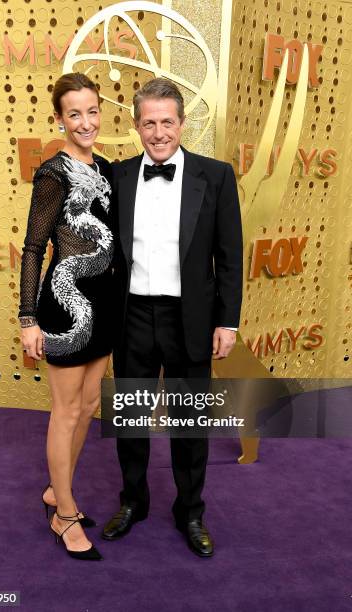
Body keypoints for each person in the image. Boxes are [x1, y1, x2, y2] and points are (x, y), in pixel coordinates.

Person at [102, 78, 243, 557]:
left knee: (189, 422)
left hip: (191, 317)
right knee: (132, 419)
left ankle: (191, 511)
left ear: (182, 124)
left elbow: (230, 255)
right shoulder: (118, 177)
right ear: (136, 126)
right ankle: (133, 502)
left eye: (167, 122)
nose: (158, 132)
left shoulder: (217, 175)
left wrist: (228, 322)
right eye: (149, 123)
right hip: (133, 316)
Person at [18, 73, 113, 561]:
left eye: (92, 111)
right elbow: (35, 247)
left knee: (91, 404)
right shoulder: (53, 173)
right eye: (74, 114)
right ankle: (65, 514)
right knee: (67, 410)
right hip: (65, 302)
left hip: (106, 307)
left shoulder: (108, 169)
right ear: (60, 119)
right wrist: (27, 317)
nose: (85, 122)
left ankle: (59, 489)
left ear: (102, 112)